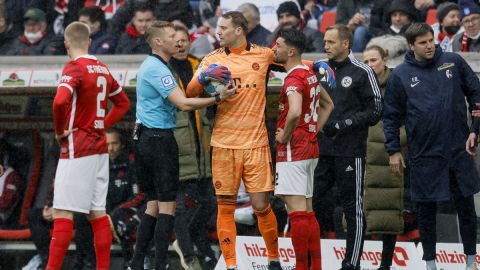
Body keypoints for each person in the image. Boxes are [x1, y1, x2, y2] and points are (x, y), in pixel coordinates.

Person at [128, 20, 235, 270]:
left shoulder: (154, 65)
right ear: (158, 42)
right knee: (167, 207)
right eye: (170, 36)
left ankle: (135, 263)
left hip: (146, 139)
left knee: (153, 207)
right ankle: (160, 264)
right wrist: (217, 97)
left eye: (179, 37)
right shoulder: (158, 69)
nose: (177, 41)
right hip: (159, 141)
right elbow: (184, 103)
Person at [186, 11, 283, 270]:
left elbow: (292, 62)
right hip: (224, 144)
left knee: (261, 206)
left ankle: (274, 259)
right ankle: (231, 265)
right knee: (225, 207)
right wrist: (205, 78)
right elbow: (190, 92)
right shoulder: (212, 59)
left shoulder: (263, 55)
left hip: (256, 144)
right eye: (219, 28)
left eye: (224, 28)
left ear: (239, 30)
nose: (218, 32)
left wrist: (316, 65)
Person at [383, 22, 480, 270]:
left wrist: (474, 130)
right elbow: (391, 116)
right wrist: (393, 150)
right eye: (423, 42)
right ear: (412, 45)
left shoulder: (453, 61)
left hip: (458, 150)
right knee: (426, 212)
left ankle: (471, 261)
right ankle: (430, 263)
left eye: (431, 40)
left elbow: (476, 94)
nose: (429, 46)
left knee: (466, 207)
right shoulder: (401, 75)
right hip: (424, 154)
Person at [47, 21, 131, 270]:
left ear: (66, 44)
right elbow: (123, 104)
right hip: (99, 148)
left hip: (78, 147)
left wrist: (60, 131)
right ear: (90, 42)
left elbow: (59, 102)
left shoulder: (74, 67)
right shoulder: (102, 68)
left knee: (62, 213)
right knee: (97, 213)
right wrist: (101, 125)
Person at [312, 24, 382, 270]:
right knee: (311, 204)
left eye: (330, 42)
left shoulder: (362, 71)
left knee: (353, 209)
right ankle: (310, 258)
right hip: (320, 151)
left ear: (345, 44)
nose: (325, 46)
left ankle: (351, 264)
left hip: (349, 151)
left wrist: (343, 124)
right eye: (325, 41)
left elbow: (375, 111)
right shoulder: (318, 69)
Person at [272, 28, 334, 270]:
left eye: (278, 45)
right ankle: (314, 266)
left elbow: (296, 110)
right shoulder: (309, 73)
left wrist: (285, 136)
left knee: (296, 211)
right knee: (307, 210)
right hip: (309, 147)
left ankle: (301, 267)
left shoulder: (293, 78)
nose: (274, 49)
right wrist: (313, 130)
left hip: (293, 149)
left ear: (291, 50)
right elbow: (329, 105)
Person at [169, 24, 218, 270]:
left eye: (184, 40)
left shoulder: (200, 65)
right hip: (176, 146)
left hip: (203, 146)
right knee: (180, 207)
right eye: (175, 40)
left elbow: (213, 101)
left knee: (209, 203)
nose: (180, 45)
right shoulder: (161, 68)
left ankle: (198, 249)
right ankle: (189, 255)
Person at [362, 45, 408, 270]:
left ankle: (385, 265)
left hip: (391, 155)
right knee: (359, 213)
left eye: (374, 60)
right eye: (366, 61)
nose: (370, 65)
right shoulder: (361, 84)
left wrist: (395, 142)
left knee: (389, 212)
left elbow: (410, 118)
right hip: (364, 155)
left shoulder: (397, 83)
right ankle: (354, 262)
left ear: (385, 59)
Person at [105, 128, 145, 269]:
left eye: (114, 143)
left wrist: (117, 211)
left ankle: (132, 263)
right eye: (107, 144)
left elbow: (139, 195)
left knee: (123, 222)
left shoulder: (132, 163)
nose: (110, 148)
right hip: (109, 212)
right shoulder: (98, 165)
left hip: (132, 209)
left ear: (122, 144)